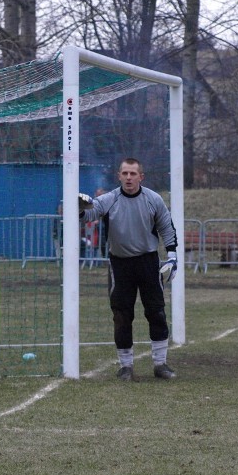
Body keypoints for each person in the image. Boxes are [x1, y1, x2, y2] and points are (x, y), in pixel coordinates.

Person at [79, 158, 178, 381]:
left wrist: (172, 256)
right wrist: (79, 208)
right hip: (120, 264)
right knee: (122, 315)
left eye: (133, 173)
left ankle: (160, 364)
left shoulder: (153, 199)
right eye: (125, 173)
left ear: (141, 177)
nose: (129, 177)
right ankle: (126, 367)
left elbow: (166, 226)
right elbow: (88, 216)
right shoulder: (109, 199)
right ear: (119, 176)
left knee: (156, 312)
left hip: (148, 262)